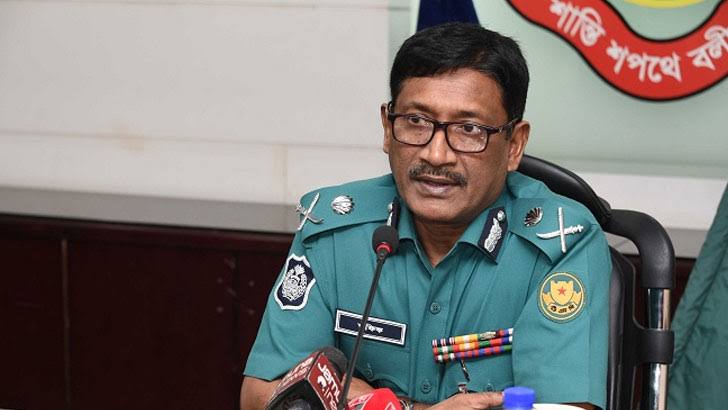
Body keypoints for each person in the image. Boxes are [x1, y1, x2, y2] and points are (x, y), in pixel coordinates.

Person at [240, 22, 610, 410]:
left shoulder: (560, 245)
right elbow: (262, 395)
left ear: (514, 144)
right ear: (387, 128)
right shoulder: (332, 230)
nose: (436, 154)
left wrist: (362, 400)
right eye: (416, 121)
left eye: (469, 129)